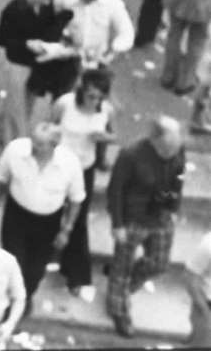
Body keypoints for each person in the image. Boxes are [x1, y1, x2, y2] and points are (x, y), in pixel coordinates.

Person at [0, 121, 87, 308]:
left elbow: (76, 199)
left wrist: (66, 230)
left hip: (48, 223)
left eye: (41, 145)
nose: (34, 147)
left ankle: (25, 298)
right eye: (33, 141)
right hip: (16, 216)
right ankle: (9, 300)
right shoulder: (15, 150)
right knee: (12, 262)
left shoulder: (70, 163)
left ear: (54, 145)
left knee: (35, 269)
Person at [106, 117, 186, 337]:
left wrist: (174, 208)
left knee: (159, 263)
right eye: (166, 149)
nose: (171, 153)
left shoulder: (177, 149)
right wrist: (118, 224)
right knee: (121, 266)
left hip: (161, 217)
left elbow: (179, 176)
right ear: (154, 139)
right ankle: (118, 308)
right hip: (133, 218)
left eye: (175, 148)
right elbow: (115, 190)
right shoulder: (131, 155)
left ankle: (127, 284)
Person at [50, 68, 116, 302]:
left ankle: (77, 274)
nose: (95, 101)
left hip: (83, 167)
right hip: (59, 164)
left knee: (78, 220)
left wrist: (102, 140)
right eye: (91, 96)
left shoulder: (105, 111)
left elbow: (113, 135)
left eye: (99, 97)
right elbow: (51, 124)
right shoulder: (65, 104)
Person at [0, 0, 72, 148]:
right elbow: (2, 40)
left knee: (23, 103)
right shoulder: (14, 9)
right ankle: (14, 145)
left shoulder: (43, 8)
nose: (48, 2)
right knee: (18, 111)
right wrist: (27, 44)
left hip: (35, 63)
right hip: (18, 62)